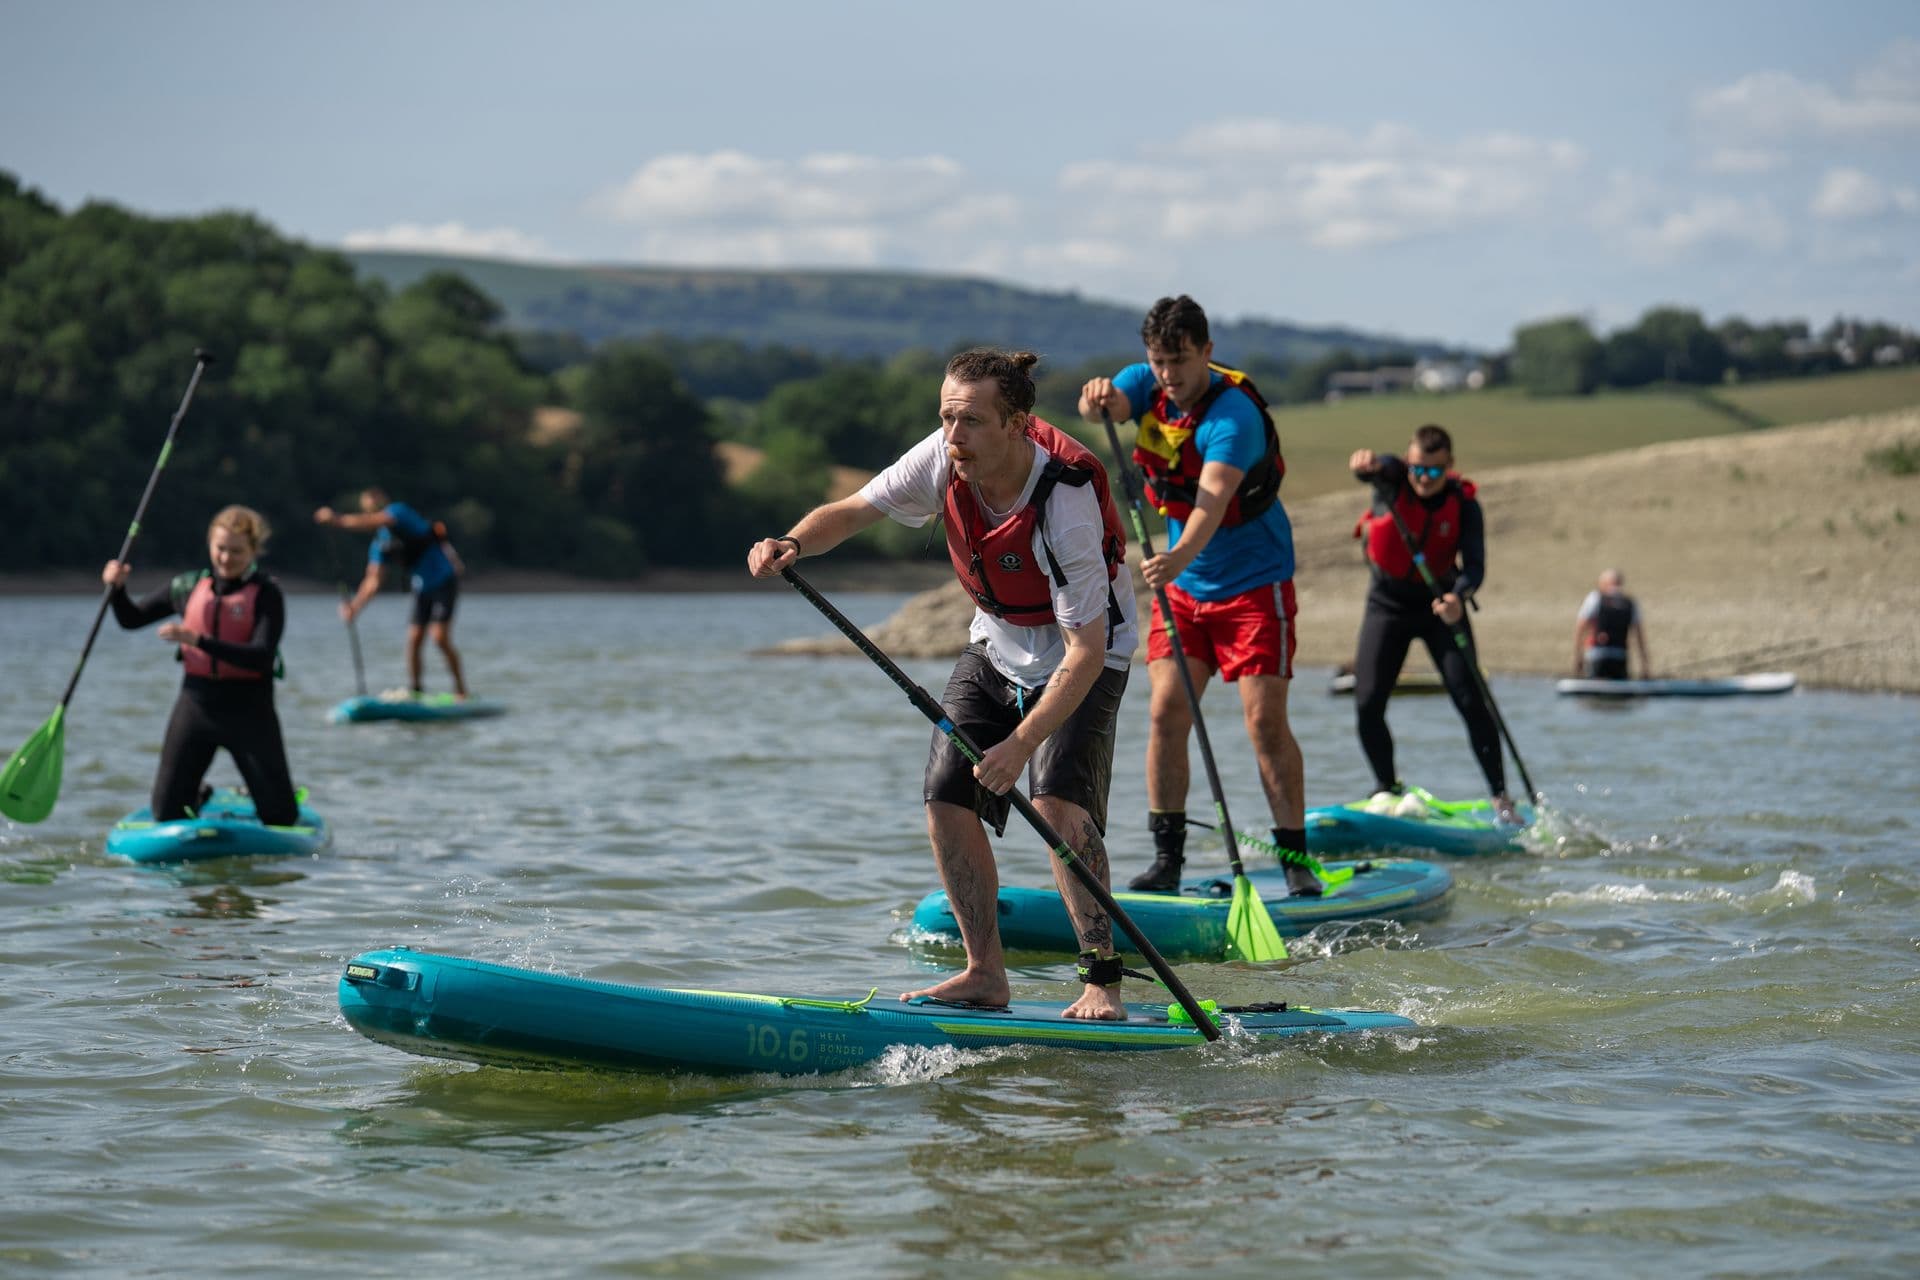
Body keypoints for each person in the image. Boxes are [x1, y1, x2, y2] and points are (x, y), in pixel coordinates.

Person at [748, 348, 1138, 1020]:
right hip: (996, 643)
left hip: (1085, 656)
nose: (953, 436)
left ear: (1017, 423)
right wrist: (792, 543)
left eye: (971, 422)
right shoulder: (942, 457)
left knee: (1055, 808)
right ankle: (984, 973)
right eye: (946, 418)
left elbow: (1086, 651)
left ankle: (1102, 980)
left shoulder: (1065, 496)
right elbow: (852, 510)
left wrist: (1019, 743)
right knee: (944, 797)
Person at [1077, 295, 1318, 897]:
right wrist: (1095, 397)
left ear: (1207, 352)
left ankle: (1294, 858)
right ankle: (1167, 862)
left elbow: (1210, 502)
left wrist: (1177, 557)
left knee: (1264, 723)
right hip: (1183, 592)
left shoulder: (1232, 417)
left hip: (1254, 585)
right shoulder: (1148, 382)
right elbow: (1107, 403)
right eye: (1159, 361)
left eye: (1180, 362)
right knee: (1165, 713)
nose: (1169, 375)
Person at [1349, 425, 1520, 824]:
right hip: (1387, 603)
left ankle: (1500, 797)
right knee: (1367, 702)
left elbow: (1474, 565)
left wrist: (1458, 597)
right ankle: (1386, 788)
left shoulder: (1464, 505)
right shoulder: (1393, 481)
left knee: (1471, 699)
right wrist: (1366, 465)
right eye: (1417, 469)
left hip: (1440, 605)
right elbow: (1379, 468)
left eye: (1433, 472)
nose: (1422, 479)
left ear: (1450, 466)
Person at [103, 505, 299, 826]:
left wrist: (199, 641)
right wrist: (116, 589)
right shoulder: (188, 587)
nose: (226, 558)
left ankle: (262, 792)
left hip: (250, 710)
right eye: (220, 548)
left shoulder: (267, 594)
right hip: (196, 706)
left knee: (281, 817)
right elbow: (131, 619)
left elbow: (261, 654)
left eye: (236, 551)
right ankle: (199, 793)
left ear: (254, 551)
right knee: (165, 814)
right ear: (210, 544)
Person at [314, 487, 468, 698]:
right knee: (414, 638)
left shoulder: (399, 512)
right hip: (421, 587)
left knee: (439, 637)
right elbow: (373, 581)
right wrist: (354, 608)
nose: (372, 509)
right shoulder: (380, 544)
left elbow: (379, 520)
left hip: (443, 580)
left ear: (383, 501)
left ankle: (461, 689)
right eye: (368, 507)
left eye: (375, 504)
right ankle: (416, 690)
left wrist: (337, 520)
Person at [1574, 569, 1651, 679]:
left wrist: (1578, 658)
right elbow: (1639, 637)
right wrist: (1645, 666)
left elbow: (1580, 628)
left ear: (1604, 584)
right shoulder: (1630, 602)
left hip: (1597, 655)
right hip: (1620, 656)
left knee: (1596, 690)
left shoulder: (1594, 598)